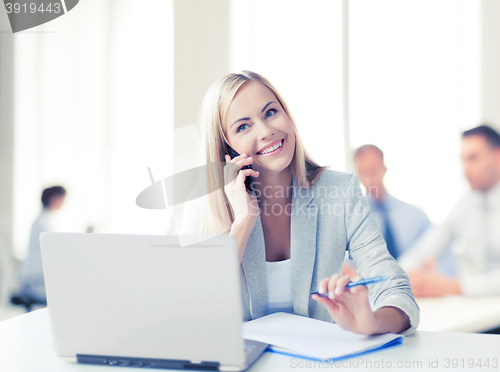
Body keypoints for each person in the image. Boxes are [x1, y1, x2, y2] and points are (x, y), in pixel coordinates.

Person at [183, 71, 418, 336]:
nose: (266, 131)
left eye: (270, 112)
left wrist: (373, 322)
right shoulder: (203, 206)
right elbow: (193, 310)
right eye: (243, 126)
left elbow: (396, 289)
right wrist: (242, 223)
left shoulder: (339, 192)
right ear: (226, 147)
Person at [399, 125, 500, 296]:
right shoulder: (465, 206)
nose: (466, 169)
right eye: (463, 160)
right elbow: (424, 251)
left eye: (473, 158)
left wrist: (453, 287)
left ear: (497, 157)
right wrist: (401, 277)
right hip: (475, 313)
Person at [18, 186, 67, 303]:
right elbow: (56, 249)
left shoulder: (45, 221)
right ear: (53, 198)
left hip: (38, 278)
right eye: (62, 198)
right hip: (34, 281)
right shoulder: (41, 224)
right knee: (66, 296)